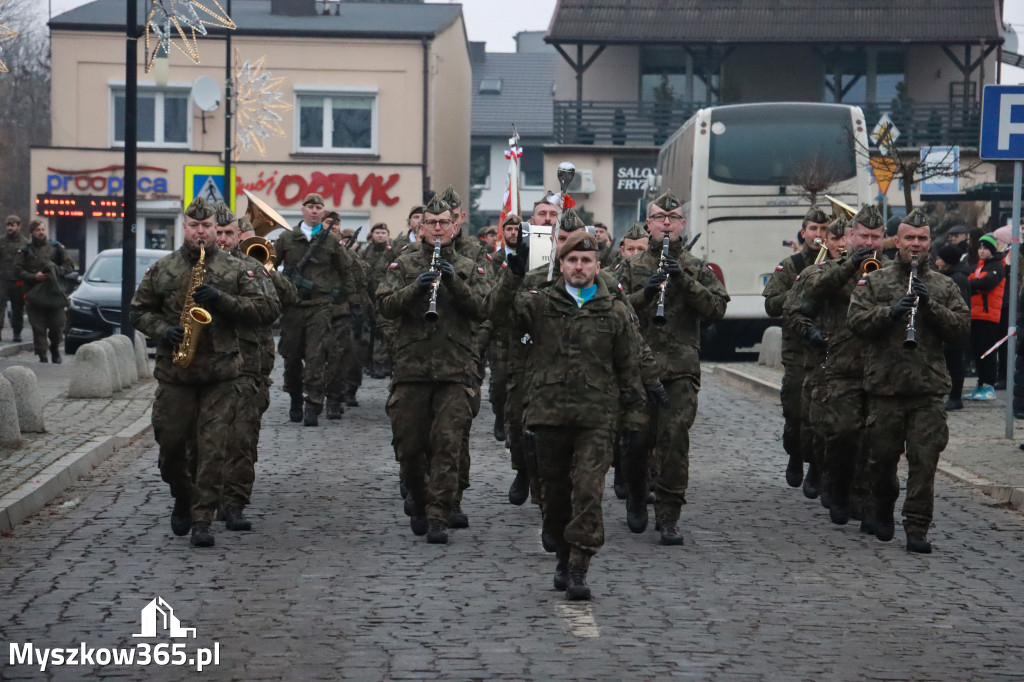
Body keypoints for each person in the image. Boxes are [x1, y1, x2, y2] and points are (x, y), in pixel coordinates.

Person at [502, 230, 645, 599]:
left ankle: (579, 566)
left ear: (598, 266)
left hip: (596, 418)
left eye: (586, 261)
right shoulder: (539, 304)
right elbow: (498, 316)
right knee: (555, 497)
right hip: (548, 416)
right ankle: (562, 553)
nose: (579, 267)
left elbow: (628, 367)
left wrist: (633, 420)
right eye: (572, 260)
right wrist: (512, 276)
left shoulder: (613, 310)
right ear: (560, 265)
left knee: (587, 492)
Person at [130, 197, 279, 547]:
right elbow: (139, 311)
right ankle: (183, 495)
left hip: (222, 373)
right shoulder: (164, 268)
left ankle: (202, 519)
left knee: (213, 448)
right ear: (184, 227)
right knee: (171, 446)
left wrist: (222, 301)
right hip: (176, 373)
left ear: (217, 229)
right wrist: (162, 330)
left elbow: (267, 308)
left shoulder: (238, 269)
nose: (201, 232)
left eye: (207, 226)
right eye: (194, 226)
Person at [848, 208, 970, 553]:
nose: (916, 245)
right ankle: (882, 506)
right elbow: (855, 322)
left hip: (927, 388)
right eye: (909, 238)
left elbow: (961, 328)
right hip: (885, 387)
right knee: (882, 458)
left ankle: (917, 527)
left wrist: (930, 307)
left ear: (930, 243)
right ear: (897, 241)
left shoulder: (943, 284)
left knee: (924, 459)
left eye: (922, 239)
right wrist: (891, 312)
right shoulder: (874, 280)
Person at [615, 191, 729, 544]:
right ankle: (636, 495)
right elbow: (612, 312)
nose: (667, 223)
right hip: (637, 369)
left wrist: (684, 281)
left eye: (674, 217)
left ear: (682, 224)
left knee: (674, 442)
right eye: (660, 218)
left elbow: (717, 309)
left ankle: (668, 515)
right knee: (635, 442)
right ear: (648, 224)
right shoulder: (630, 268)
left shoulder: (697, 267)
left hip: (680, 370)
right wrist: (645, 295)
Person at [376, 194, 490, 544]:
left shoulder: (470, 266)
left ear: (455, 227)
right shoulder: (404, 262)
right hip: (412, 369)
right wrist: (416, 288)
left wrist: (453, 281)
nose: (437, 229)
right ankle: (420, 498)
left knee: (447, 444)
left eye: (444, 223)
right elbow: (384, 305)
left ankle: (439, 514)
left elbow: (483, 308)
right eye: (431, 223)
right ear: (421, 228)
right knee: (409, 447)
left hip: (455, 370)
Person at [801, 205, 886, 526]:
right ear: (849, 236)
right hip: (841, 366)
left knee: (873, 439)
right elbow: (813, 291)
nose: (869, 242)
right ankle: (837, 486)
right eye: (863, 235)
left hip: (880, 370)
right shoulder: (829, 268)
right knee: (842, 433)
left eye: (875, 237)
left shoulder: (889, 269)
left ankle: (862, 498)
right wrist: (850, 265)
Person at [212, 203, 282, 531]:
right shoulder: (193, 265)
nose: (224, 239)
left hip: (245, 366)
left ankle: (234, 503)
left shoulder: (253, 268)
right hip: (205, 367)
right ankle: (203, 498)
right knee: (207, 440)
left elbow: (271, 308)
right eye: (220, 232)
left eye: (230, 233)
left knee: (242, 439)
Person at [274, 193, 358, 425]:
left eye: (318, 207)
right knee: (291, 357)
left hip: (320, 306)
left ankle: (313, 403)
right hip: (293, 306)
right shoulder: (287, 238)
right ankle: (294, 398)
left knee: (316, 356)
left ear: (323, 212)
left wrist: (352, 300)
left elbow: (345, 270)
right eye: (310, 206)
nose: (314, 210)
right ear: (302, 209)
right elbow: (270, 267)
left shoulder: (330, 240)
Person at [762, 205, 829, 487]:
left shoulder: (837, 264)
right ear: (803, 233)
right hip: (797, 350)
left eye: (824, 230)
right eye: (813, 229)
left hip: (825, 347)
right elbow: (771, 305)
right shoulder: (790, 266)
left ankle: (815, 464)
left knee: (820, 413)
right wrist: (800, 289)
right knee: (794, 411)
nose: (819, 235)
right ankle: (795, 454)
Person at [15, 219, 73, 363]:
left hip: (54, 293)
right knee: (38, 327)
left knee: (57, 325)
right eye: (37, 230)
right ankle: (42, 355)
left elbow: (69, 265)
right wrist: (35, 277)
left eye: (42, 229)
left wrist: (56, 271)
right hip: (34, 294)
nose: (41, 232)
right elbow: (18, 270)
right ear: (32, 233)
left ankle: (54, 348)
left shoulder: (56, 247)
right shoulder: (26, 250)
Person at [964, 234, 1005, 401]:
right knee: (978, 351)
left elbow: (985, 283)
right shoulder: (979, 266)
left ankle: (989, 385)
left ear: (992, 250)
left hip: (988, 315)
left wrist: (974, 284)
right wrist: (975, 284)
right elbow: (974, 283)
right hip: (976, 313)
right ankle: (980, 384)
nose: (981, 251)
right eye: (979, 248)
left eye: (985, 248)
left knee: (987, 352)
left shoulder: (997, 266)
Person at [934, 244, 972, 411]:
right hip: (950, 326)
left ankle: (956, 397)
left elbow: (959, 304)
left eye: (939, 259)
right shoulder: (953, 276)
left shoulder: (957, 279)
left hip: (955, 326)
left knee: (955, 363)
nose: (936, 262)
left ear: (947, 261)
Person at [359, 222, 394, 379]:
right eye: (377, 233)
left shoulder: (393, 252)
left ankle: (383, 363)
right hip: (368, 297)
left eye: (383, 233)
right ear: (372, 235)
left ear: (388, 235)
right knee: (369, 334)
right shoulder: (364, 252)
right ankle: (370, 363)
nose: (380, 235)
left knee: (385, 331)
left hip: (387, 297)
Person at [0, 214, 28, 342]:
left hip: (18, 281)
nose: (10, 228)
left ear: (19, 226)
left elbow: (29, 263)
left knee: (18, 308)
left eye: (12, 225)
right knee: (1, 307)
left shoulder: (25, 244)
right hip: (3, 279)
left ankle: (17, 332)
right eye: (8, 225)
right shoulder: (1, 241)